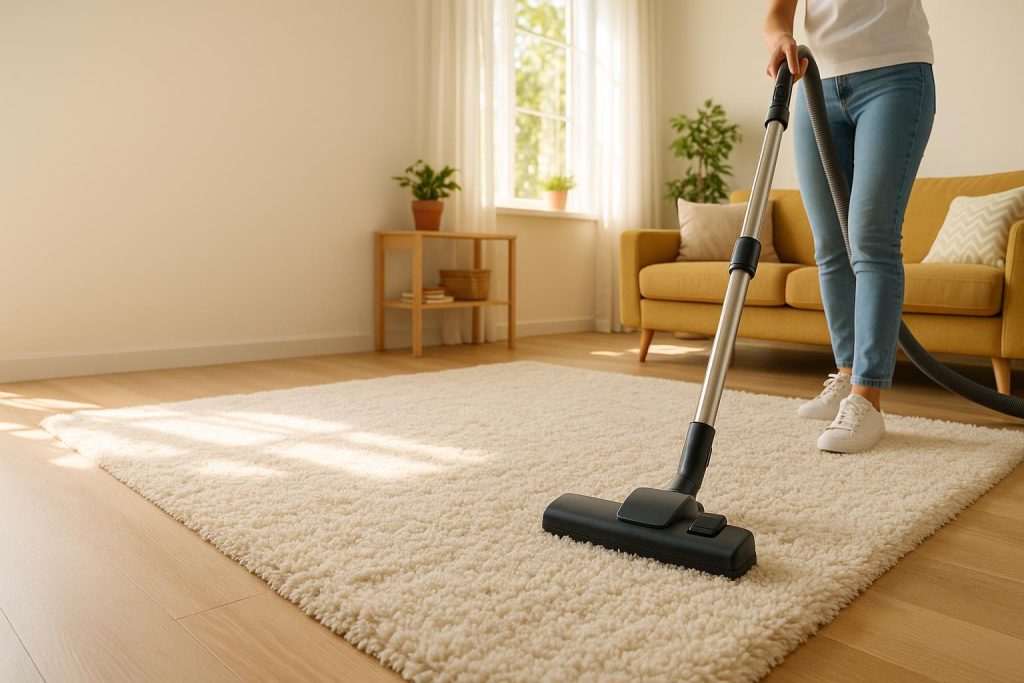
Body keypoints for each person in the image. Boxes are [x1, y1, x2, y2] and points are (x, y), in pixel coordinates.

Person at [763, 0, 936, 453]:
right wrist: (781, 38)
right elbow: (778, 12)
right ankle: (845, 373)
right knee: (830, 244)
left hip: (895, 74)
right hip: (818, 83)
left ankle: (867, 397)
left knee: (871, 238)